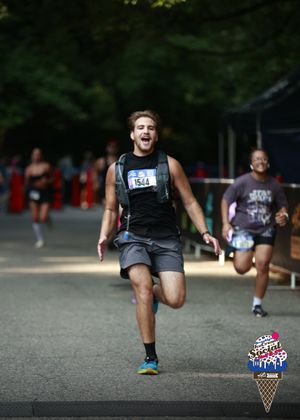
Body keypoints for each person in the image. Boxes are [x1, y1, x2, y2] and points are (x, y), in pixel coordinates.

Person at [97, 110, 221, 375]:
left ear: (156, 134)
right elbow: (110, 209)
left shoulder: (170, 165)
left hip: (166, 238)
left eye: (151, 128)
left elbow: (189, 201)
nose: (145, 132)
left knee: (176, 299)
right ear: (132, 134)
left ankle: (155, 292)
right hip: (133, 237)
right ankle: (150, 357)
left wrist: (205, 232)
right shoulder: (117, 168)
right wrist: (104, 235)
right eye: (140, 127)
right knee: (140, 288)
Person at [221, 148, 289, 317]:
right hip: (244, 229)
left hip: (266, 228)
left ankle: (257, 304)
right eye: (257, 159)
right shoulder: (242, 182)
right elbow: (225, 200)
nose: (261, 161)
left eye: (264, 159)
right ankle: (239, 250)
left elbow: (283, 206)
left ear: (268, 162)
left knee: (262, 265)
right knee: (241, 268)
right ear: (251, 163)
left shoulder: (274, 185)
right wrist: (225, 223)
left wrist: (284, 215)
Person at [24, 148, 53, 248]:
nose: (36, 156)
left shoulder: (46, 166)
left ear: (41, 155)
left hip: (45, 192)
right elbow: (27, 183)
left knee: (43, 217)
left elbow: (52, 179)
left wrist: (47, 181)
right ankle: (40, 239)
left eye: (38, 154)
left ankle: (47, 217)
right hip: (33, 192)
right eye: (34, 154)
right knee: (35, 217)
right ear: (32, 156)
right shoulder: (29, 169)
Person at [94, 139, 119, 205]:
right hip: (105, 188)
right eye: (110, 146)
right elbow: (95, 171)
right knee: (108, 208)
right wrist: (96, 182)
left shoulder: (120, 160)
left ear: (116, 148)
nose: (112, 148)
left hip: (117, 187)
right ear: (107, 148)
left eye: (114, 146)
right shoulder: (101, 161)